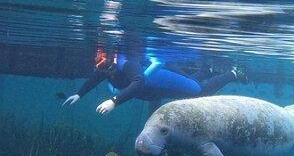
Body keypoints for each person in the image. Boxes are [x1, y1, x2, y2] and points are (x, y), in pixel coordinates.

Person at [63, 49, 247, 114]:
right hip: (155, 91)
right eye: (98, 62)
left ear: (112, 57)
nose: (101, 66)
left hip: (159, 80)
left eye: (103, 62)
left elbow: (138, 82)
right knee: (185, 91)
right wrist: (79, 94)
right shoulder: (106, 67)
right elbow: (96, 76)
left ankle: (233, 73)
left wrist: (114, 102)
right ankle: (206, 70)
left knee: (200, 92)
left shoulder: (126, 62)